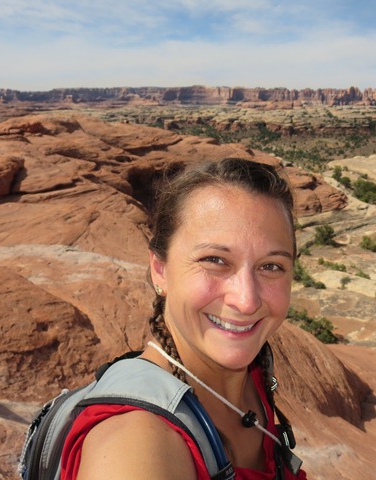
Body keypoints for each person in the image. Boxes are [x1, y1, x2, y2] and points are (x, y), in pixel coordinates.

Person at [60, 158, 307, 479]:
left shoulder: (254, 376)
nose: (246, 301)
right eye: (215, 260)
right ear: (160, 270)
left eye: (271, 266)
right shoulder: (134, 442)